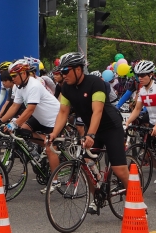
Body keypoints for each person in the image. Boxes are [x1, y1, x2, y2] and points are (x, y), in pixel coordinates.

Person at [47, 52, 129, 213]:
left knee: (119, 169)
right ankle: (97, 196)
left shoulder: (95, 83)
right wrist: (53, 134)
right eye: (61, 72)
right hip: (93, 128)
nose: (62, 75)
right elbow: (63, 113)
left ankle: (138, 202)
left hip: (110, 127)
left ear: (78, 69)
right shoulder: (67, 88)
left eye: (65, 71)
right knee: (85, 164)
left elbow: (97, 111)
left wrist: (90, 135)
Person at [0, 60, 61, 192]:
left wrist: (13, 123)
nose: (12, 79)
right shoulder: (19, 86)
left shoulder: (34, 85)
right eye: (12, 76)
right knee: (22, 131)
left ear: (24, 74)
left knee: (50, 149)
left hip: (53, 118)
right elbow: (15, 106)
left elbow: (30, 109)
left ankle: (55, 181)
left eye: (15, 76)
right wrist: (0, 120)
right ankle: (44, 146)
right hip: (39, 117)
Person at [124, 60, 156, 199]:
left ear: (151, 74)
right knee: (148, 153)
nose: (140, 78)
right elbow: (138, 109)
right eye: (138, 75)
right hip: (152, 123)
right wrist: (127, 122)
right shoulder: (142, 89)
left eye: (143, 75)